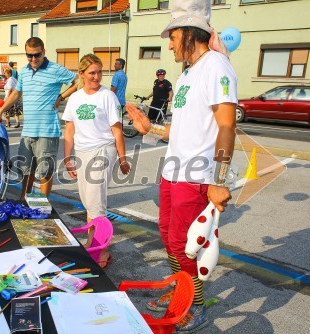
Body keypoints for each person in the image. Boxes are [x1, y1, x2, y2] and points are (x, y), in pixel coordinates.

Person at [126, 1, 237, 332]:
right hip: (173, 171)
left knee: (184, 244)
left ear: (189, 33)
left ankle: (196, 304)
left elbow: (227, 126)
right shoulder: (188, 73)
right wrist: (151, 129)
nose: (169, 43)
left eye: (172, 36)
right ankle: (179, 287)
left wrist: (219, 180)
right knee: (169, 237)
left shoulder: (216, 66)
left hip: (197, 175)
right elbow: (182, 128)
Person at [63, 54, 130, 268]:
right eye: (92, 72)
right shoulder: (74, 98)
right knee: (88, 200)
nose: (97, 77)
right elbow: (70, 130)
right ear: (81, 74)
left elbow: (117, 131)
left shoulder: (107, 97)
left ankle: (100, 251)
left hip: (103, 149)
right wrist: (67, 157)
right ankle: (94, 242)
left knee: (95, 201)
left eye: (100, 72)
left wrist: (122, 158)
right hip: (82, 152)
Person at [0, 37, 78, 200]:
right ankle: (24, 199)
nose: (33, 59)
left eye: (37, 55)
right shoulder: (24, 71)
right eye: (29, 55)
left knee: (44, 172)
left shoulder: (55, 69)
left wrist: (62, 96)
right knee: (26, 170)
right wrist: (0, 111)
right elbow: (17, 93)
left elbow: (78, 81)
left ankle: (43, 206)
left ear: (43, 52)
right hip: (28, 130)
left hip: (47, 131)